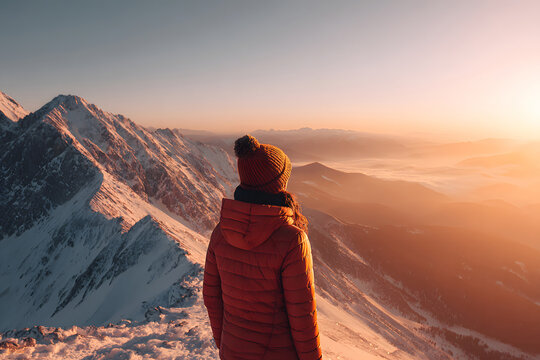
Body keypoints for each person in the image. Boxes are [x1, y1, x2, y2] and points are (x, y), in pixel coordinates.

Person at [203, 135, 322, 360]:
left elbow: (211, 296)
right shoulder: (292, 240)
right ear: (278, 184)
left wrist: (225, 346)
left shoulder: (220, 232)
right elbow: (302, 316)